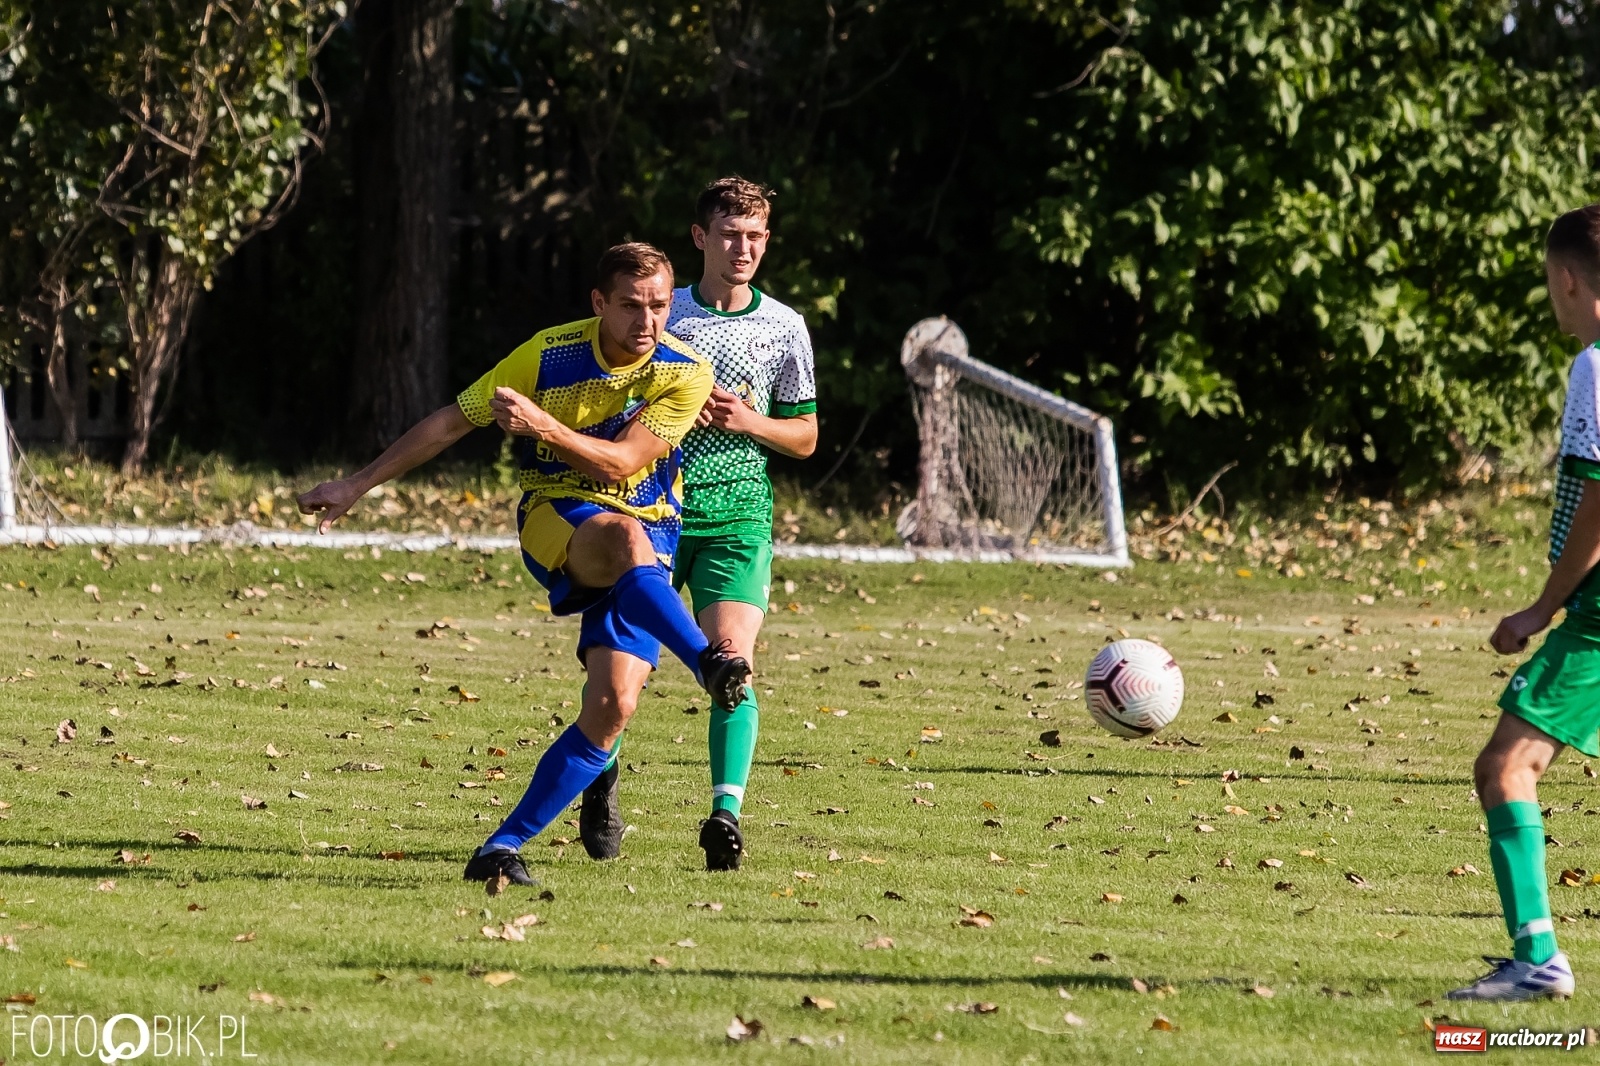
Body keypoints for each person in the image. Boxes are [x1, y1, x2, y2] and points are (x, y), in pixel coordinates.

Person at [296, 242, 752, 889]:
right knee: (624, 537)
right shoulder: (548, 354)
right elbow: (452, 422)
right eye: (630, 306)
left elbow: (622, 463)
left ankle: (500, 847)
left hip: (649, 538)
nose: (647, 320)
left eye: (657, 306)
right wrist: (357, 484)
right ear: (599, 303)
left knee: (613, 705)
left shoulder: (685, 371)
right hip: (556, 515)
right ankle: (707, 662)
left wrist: (544, 426)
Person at [579, 177, 817, 871]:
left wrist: (749, 421)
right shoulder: (662, 312)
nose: (744, 248)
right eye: (730, 234)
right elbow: (610, 394)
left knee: (733, 665)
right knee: (620, 678)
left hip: (738, 517)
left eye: (756, 236)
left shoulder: (785, 327)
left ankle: (725, 815)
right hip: (653, 512)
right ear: (699, 238)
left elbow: (805, 436)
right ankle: (601, 778)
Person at [1448, 203, 1600, 1001]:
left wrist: (1543, 608)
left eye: (1548, 281)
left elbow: (1599, 506)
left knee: (1506, 767)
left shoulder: (1596, 367)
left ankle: (1537, 959)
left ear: (1568, 279)